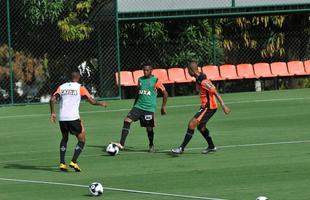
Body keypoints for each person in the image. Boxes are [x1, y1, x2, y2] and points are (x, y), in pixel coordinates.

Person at [50, 70, 107, 172]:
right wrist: (100, 103)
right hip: (74, 118)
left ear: (70, 77)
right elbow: (91, 101)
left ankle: (62, 163)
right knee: (82, 140)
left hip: (62, 118)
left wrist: (53, 113)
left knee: (64, 138)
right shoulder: (80, 87)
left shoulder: (62, 86)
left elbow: (52, 99)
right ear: (79, 77)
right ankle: (74, 161)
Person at [171, 61, 230, 154]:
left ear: (191, 70)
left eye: (188, 71)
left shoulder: (202, 80)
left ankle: (181, 148)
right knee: (201, 127)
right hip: (206, 106)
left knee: (191, 124)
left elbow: (214, 90)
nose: (187, 73)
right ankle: (211, 146)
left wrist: (223, 105)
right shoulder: (198, 78)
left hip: (209, 107)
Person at [114, 64, 168, 152]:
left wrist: (163, 107)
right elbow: (138, 93)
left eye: (147, 70)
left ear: (151, 70)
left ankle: (151, 144)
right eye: (144, 70)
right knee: (127, 121)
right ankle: (121, 144)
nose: (145, 72)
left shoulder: (156, 80)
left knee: (149, 128)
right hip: (138, 107)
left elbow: (165, 93)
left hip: (149, 109)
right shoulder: (140, 79)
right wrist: (134, 104)